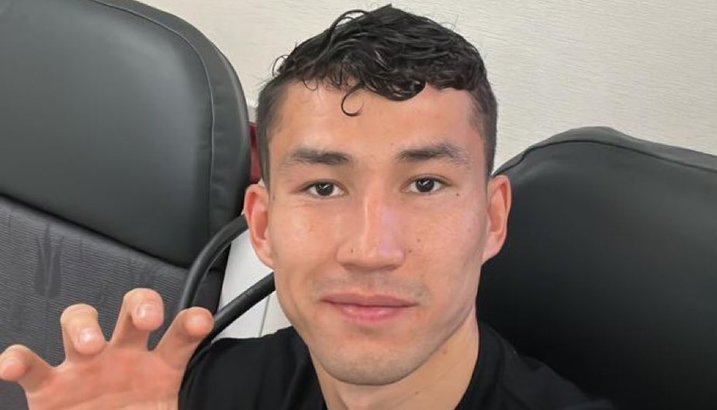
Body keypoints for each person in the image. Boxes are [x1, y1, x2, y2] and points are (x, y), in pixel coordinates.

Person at [0, 6, 612, 409]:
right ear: (264, 225)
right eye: (323, 187)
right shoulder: (207, 391)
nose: (371, 250)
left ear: (493, 220)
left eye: (426, 184)